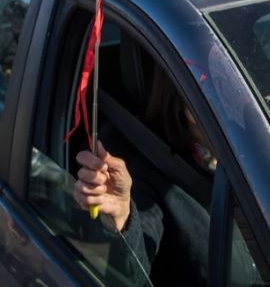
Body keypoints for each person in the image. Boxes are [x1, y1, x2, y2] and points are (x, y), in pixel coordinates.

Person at [71, 64, 258, 285]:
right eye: (217, 87)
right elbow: (132, 274)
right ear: (181, 96)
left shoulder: (268, 151)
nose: (238, 104)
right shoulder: (145, 167)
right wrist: (122, 217)